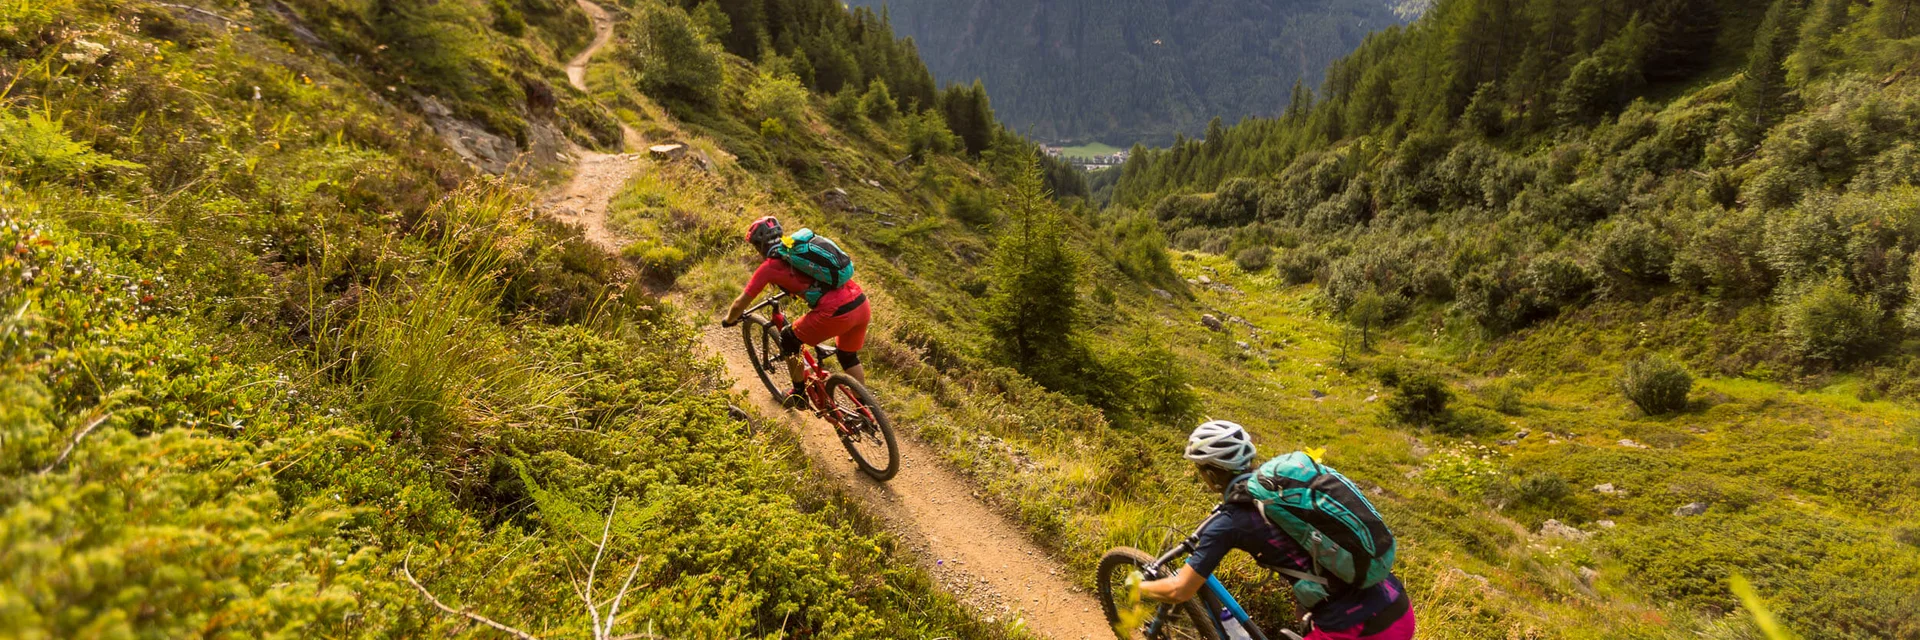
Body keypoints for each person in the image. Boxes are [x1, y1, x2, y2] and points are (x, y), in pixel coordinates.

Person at [1137, 420, 1416, 640]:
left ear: (1210, 475)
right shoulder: (1280, 486)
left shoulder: (1230, 522)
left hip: (1358, 628)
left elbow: (1179, 590)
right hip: (1397, 606)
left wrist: (1137, 588)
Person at [721, 217, 870, 409]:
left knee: (789, 338)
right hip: (860, 303)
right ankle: (864, 409)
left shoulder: (770, 267)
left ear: (759, 246)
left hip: (836, 312)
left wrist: (729, 320)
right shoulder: (796, 248)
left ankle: (799, 394)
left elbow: (740, 302)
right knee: (848, 356)